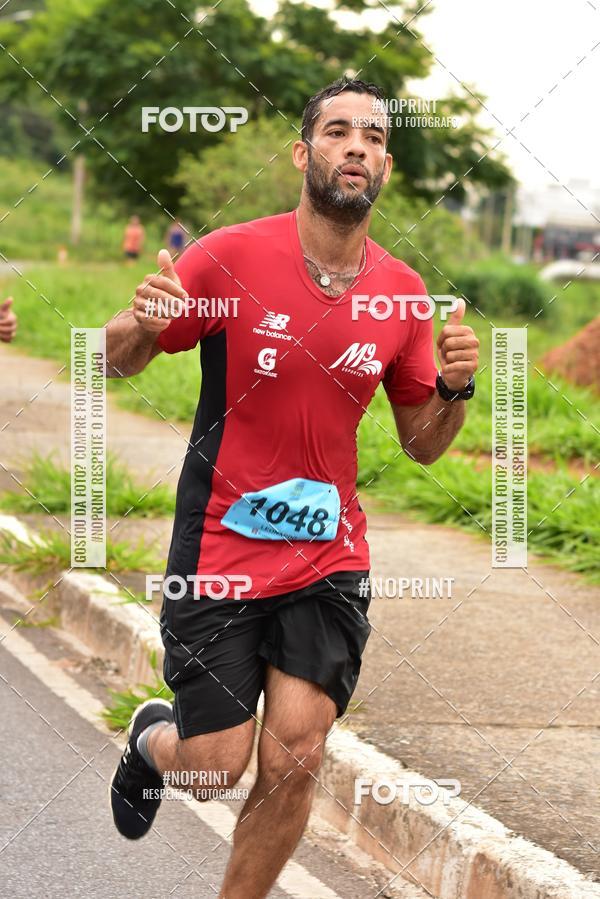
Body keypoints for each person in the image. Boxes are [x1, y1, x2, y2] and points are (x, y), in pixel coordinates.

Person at [105, 77, 479, 898]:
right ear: (304, 154)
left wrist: (452, 392)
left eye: (374, 137)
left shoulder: (405, 292)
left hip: (326, 553)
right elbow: (111, 357)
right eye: (338, 132)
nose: (357, 147)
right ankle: (152, 742)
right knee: (213, 769)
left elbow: (422, 447)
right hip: (222, 543)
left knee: (296, 755)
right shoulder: (233, 254)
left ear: (385, 163)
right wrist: (144, 322)